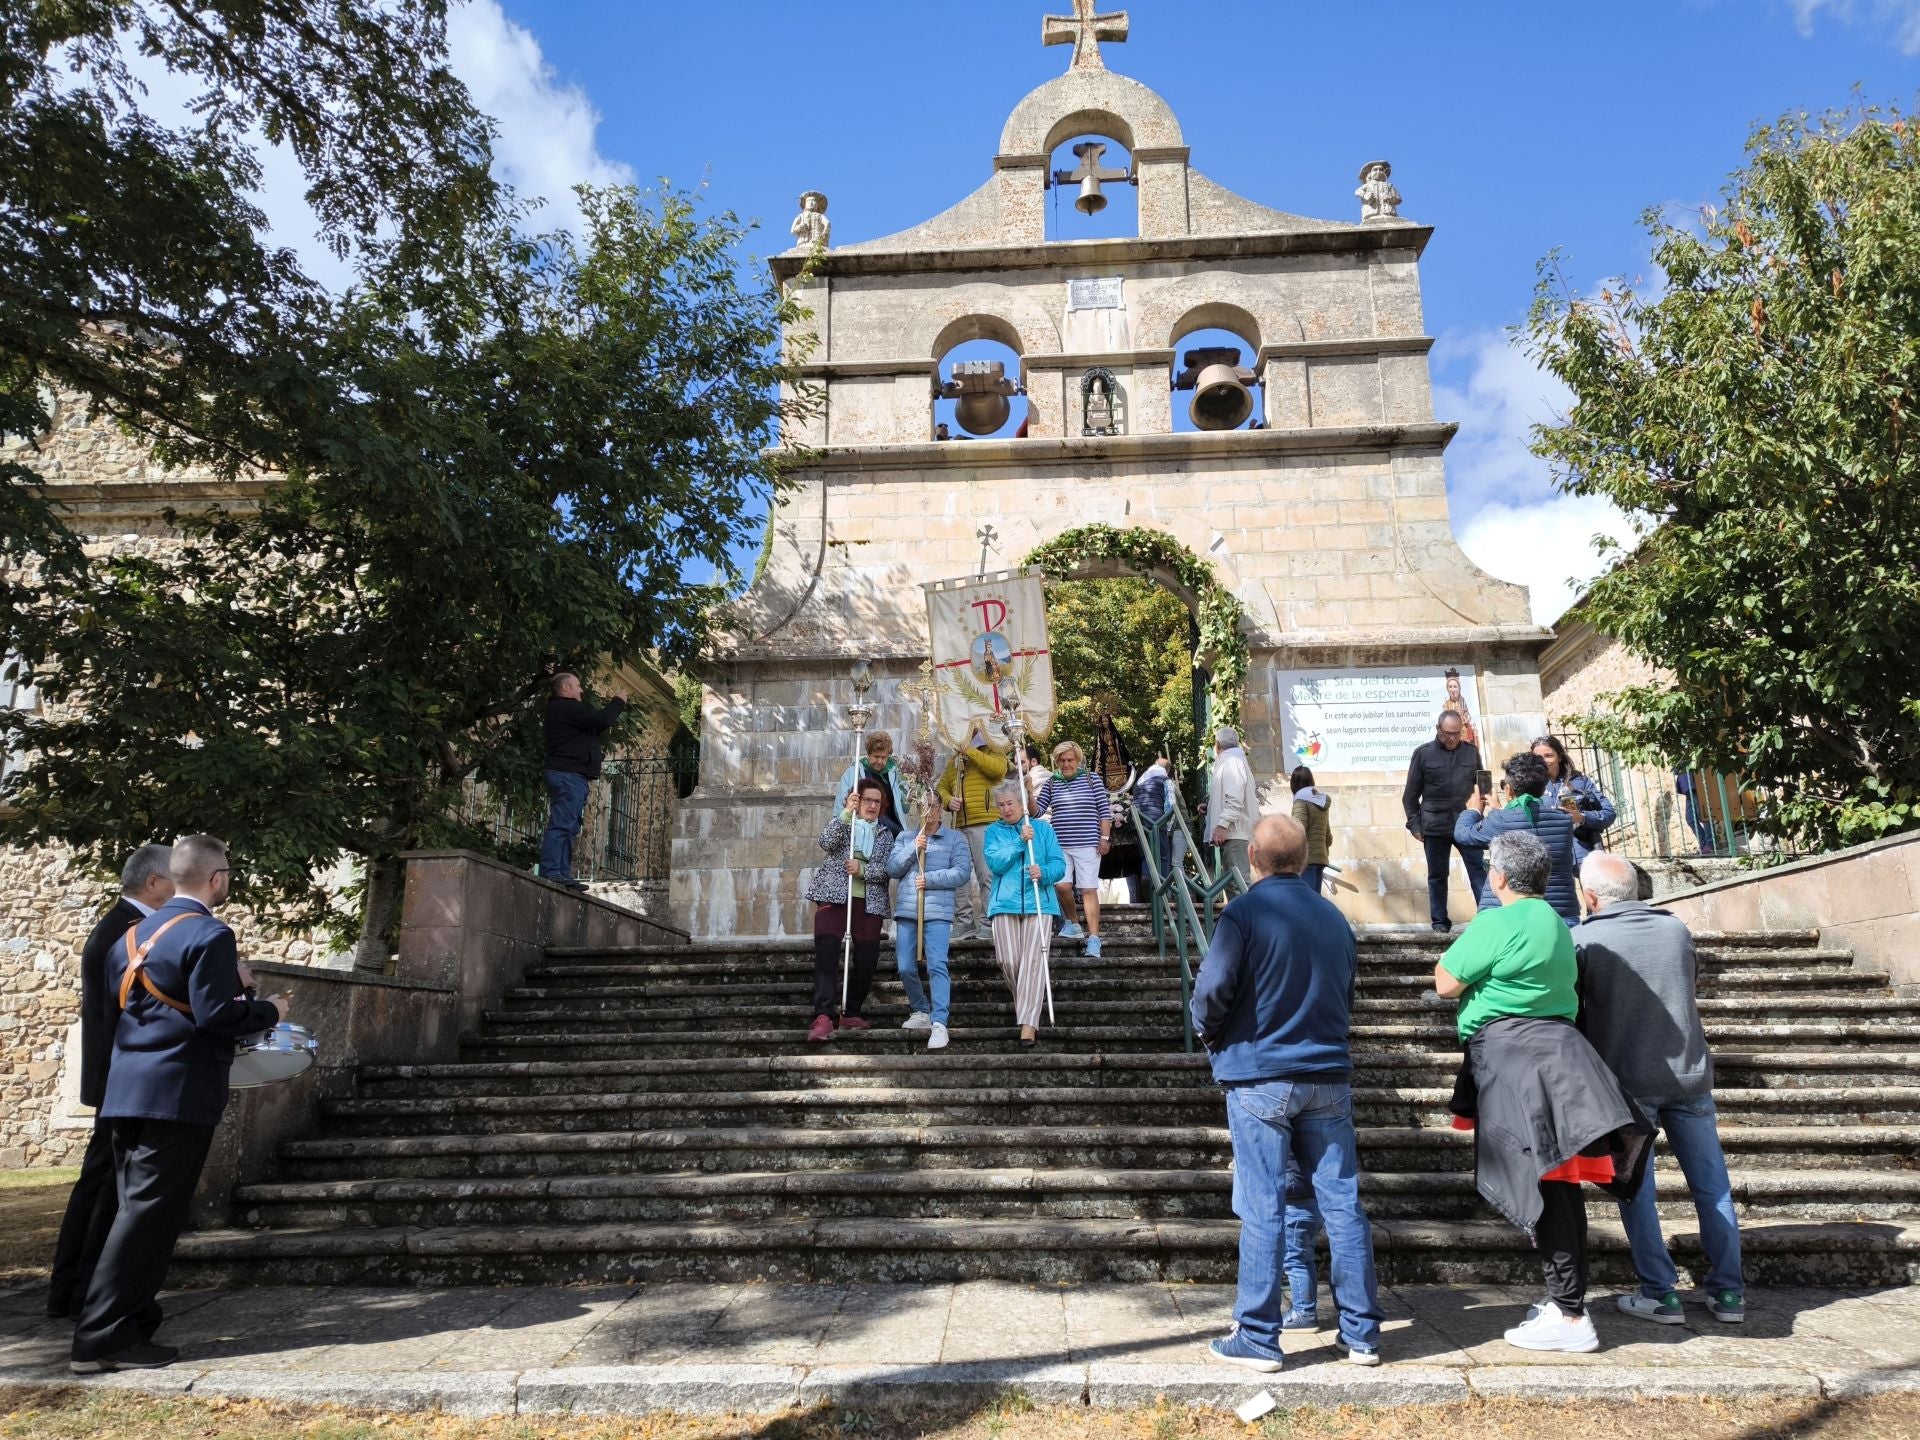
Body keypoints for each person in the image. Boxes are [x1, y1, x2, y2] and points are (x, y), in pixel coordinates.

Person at [70, 835, 289, 1374]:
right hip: (176, 1092)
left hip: (126, 1090)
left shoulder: (130, 933)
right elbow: (215, 1017)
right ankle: (101, 1338)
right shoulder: (210, 932)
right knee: (149, 1218)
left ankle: (131, 1321)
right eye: (228, 873)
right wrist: (268, 1010)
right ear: (216, 879)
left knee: (133, 1212)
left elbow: (139, 1009)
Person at [1432, 831, 1651, 1356]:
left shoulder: (1498, 920)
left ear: (1499, 877)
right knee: (1560, 1184)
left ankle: (1571, 1315)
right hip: (1558, 1054)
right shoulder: (1555, 920)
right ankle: (1565, 1303)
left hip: (1517, 1059)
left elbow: (1445, 981)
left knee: (1547, 1183)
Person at [1192, 815, 1386, 1372]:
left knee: (1262, 1206)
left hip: (1260, 1074)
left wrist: (1213, 1035)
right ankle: (1362, 1335)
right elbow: (1347, 992)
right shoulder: (1334, 917)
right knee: (1344, 1204)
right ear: (1303, 860)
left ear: (1251, 855)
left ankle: (1257, 1334)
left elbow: (1211, 991)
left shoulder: (1244, 912)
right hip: (1326, 1071)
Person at [1575, 852, 1745, 1325]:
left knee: (1636, 1191)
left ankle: (1660, 1292)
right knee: (1712, 1187)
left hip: (1628, 1080)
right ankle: (1729, 1292)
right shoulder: (1676, 930)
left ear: (1590, 897)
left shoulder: (1585, 939)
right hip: (1690, 1075)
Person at [47, 845, 174, 1322]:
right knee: (105, 1188)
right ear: (154, 883)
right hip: (121, 1076)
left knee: (99, 1183)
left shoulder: (121, 924)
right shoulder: (126, 930)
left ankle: (70, 1290)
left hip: (116, 1074)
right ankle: (80, 1292)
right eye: (173, 879)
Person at [802, 778, 895, 1042]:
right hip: (834, 896)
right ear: (856, 801)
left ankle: (851, 1010)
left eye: (877, 802)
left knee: (866, 960)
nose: (873, 806)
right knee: (827, 955)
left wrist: (863, 870)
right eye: (867, 800)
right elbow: (826, 842)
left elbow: (888, 869)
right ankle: (823, 1015)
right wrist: (845, 814)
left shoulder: (886, 835)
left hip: (869, 902)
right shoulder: (844, 824)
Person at [984, 779, 1068, 1047]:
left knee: (1033, 963)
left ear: (1022, 804)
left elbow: (1059, 865)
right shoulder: (993, 832)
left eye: (1010, 803)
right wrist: (1020, 842)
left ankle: (1028, 1025)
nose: (1006, 809)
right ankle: (1028, 1007)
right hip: (1004, 903)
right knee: (1008, 961)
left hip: (1039, 903)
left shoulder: (1043, 829)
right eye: (1001, 805)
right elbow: (995, 863)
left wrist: (1043, 873)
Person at [1454, 751, 1579, 924]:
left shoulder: (1500, 819)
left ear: (1509, 788)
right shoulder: (1564, 820)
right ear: (1544, 786)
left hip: (1506, 916)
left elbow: (1463, 834)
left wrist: (1473, 810)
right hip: (1557, 914)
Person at [886, 805, 972, 1052]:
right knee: (904, 966)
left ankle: (939, 1021)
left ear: (940, 810)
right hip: (908, 910)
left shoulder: (955, 838)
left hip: (938, 912)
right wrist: (914, 848)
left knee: (936, 964)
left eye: (933, 807)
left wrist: (931, 879)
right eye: (923, 807)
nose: (929, 812)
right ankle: (920, 1009)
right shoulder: (905, 837)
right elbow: (892, 869)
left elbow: (962, 873)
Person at [540, 671, 628, 890]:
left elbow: (595, 725)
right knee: (562, 824)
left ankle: (561, 873)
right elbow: (602, 719)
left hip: (571, 775)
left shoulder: (564, 711)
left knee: (569, 825)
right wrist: (618, 701)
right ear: (566, 688)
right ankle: (552, 872)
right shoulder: (565, 708)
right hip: (568, 774)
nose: (581, 690)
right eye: (577, 686)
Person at [1401, 710, 1485, 932]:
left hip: (1467, 824)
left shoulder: (1471, 753)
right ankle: (1440, 922)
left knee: (1478, 870)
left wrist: (1481, 817)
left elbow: (1482, 789)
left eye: (1457, 734)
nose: (1453, 738)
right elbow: (1410, 796)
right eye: (1448, 733)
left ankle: (1487, 917)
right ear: (1438, 730)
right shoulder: (1423, 754)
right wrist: (1415, 825)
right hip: (1435, 825)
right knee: (1437, 875)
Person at [1034, 741, 1112, 958]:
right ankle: (1074, 924)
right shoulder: (1052, 783)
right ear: (1057, 761)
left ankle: (1094, 938)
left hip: (1088, 843)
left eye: (1070, 760)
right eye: (1062, 760)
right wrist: (1026, 790)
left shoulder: (1091, 779)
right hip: (1060, 844)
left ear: (1078, 760)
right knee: (1061, 885)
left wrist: (1104, 838)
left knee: (1088, 889)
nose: (1066, 764)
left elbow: (1104, 812)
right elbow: (1038, 810)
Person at [935, 717, 1010, 943]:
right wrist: (948, 801)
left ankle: (989, 922)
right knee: (959, 876)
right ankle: (964, 922)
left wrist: (971, 752)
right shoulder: (956, 758)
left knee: (987, 874)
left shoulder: (995, 748)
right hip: (959, 825)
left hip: (986, 821)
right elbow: (942, 786)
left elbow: (998, 770)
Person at [1533, 734, 1617, 864]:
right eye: (1538, 758)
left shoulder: (1580, 781)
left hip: (1584, 856)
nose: (1544, 761)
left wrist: (1582, 817)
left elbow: (1609, 813)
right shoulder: (1531, 786)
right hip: (1549, 860)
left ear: (1559, 757)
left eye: (1548, 755)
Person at [1205, 726, 1257, 886]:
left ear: (1218, 744)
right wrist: (1209, 806)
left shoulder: (1232, 762)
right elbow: (1230, 795)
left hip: (1235, 832)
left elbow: (1234, 798)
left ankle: (1248, 912)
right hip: (1233, 832)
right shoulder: (1232, 761)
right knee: (1234, 883)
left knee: (1239, 883)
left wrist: (1222, 824)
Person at [832, 730, 910, 836]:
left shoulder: (895, 773)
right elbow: (839, 807)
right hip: (864, 832)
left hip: (893, 832)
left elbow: (905, 809)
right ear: (868, 755)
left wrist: (909, 796)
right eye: (876, 757)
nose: (880, 761)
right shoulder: (854, 773)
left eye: (883, 758)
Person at [1289, 767, 1332, 895]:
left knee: (1304, 900)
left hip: (1306, 859)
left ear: (1294, 783)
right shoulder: (1320, 801)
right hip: (1320, 858)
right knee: (1314, 900)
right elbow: (1328, 836)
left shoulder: (1300, 801)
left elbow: (1298, 830)